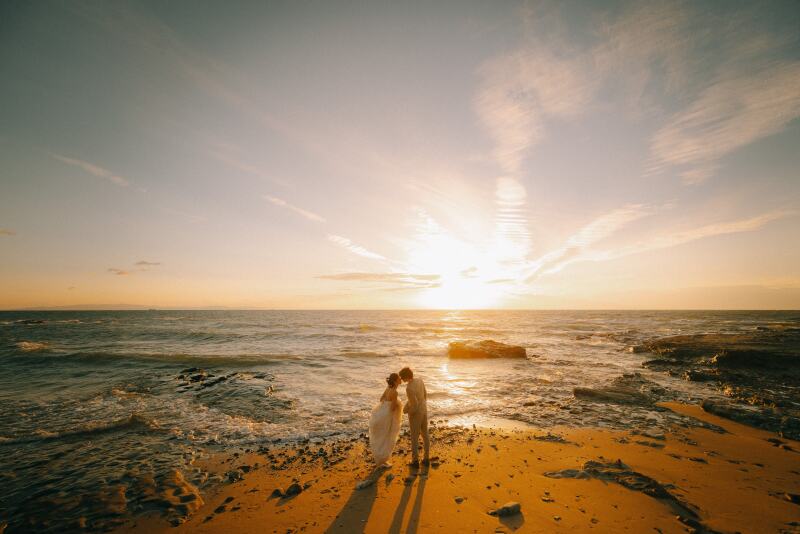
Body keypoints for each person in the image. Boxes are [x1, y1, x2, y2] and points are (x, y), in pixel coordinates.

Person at [368, 372, 402, 467]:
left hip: (382, 412)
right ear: (395, 381)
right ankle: (383, 459)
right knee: (387, 436)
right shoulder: (395, 392)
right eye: (399, 378)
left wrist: (386, 404)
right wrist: (398, 405)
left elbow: (381, 399)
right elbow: (392, 408)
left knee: (382, 436)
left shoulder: (388, 388)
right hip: (388, 415)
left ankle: (380, 458)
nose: (400, 379)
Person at [399, 366, 429, 465]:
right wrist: (407, 407)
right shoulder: (420, 380)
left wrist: (409, 413)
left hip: (416, 414)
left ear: (406, 376)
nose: (401, 379)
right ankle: (426, 458)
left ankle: (415, 460)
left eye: (402, 377)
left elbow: (414, 404)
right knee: (425, 434)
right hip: (424, 409)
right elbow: (425, 395)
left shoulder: (409, 388)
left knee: (414, 437)